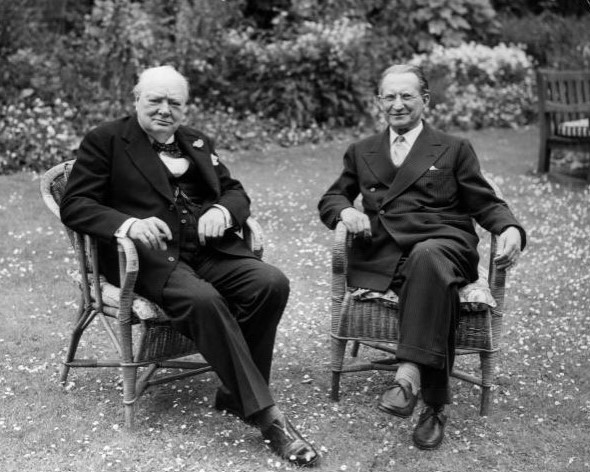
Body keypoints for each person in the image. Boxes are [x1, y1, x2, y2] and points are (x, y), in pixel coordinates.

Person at [60, 65, 319, 467]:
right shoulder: (106, 141)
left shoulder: (196, 141)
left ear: (185, 107)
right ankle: (270, 419)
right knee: (203, 300)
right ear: (136, 100)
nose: (165, 109)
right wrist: (129, 223)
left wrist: (221, 209)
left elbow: (235, 191)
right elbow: (75, 204)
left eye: (174, 102)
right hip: (146, 259)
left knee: (271, 282)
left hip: (210, 251)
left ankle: (235, 394)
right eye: (155, 100)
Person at [318, 64, 526, 450]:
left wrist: (510, 228)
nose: (397, 104)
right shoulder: (361, 151)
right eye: (389, 97)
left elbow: (485, 203)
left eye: (407, 96)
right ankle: (434, 407)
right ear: (379, 102)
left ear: (425, 100)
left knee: (428, 257)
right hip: (385, 255)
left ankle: (409, 378)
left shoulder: (453, 147)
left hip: (445, 243)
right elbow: (333, 197)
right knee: (430, 279)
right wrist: (346, 211)